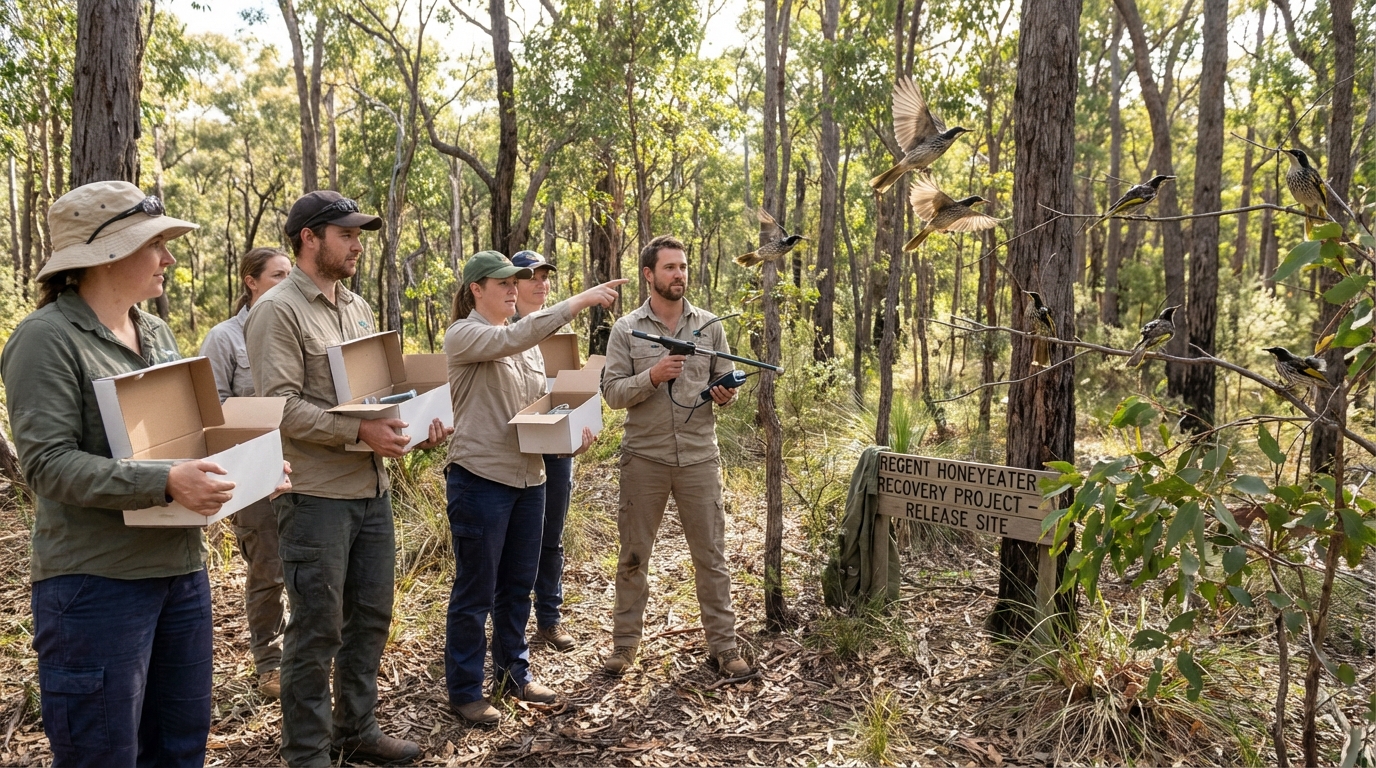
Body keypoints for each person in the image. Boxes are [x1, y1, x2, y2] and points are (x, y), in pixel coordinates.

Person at [1, 181, 288, 767]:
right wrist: (165, 481)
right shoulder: (45, 340)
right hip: (95, 584)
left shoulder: (155, 332)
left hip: (179, 571)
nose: (169, 258)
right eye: (155, 244)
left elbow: (178, 438)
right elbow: (47, 464)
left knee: (179, 745)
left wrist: (245, 469)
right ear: (105, 255)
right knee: (101, 753)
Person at [244, 191, 450, 767]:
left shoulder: (354, 307)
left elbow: (371, 395)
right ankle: (307, 751)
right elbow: (279, 407)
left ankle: (355, 727)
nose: (358, 245)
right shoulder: (278, 310)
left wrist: (409, 424)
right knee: (316, 629)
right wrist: (360, 436)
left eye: (360, 235)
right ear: (310, 237)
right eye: (347, 235)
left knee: (371, 615)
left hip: (370, 489)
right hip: (315, 496)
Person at [443, 251, 624, 724]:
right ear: (476, 289)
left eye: (514, 282)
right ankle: (464, 691)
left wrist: (567, 437)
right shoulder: (464, 334)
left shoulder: (522, 342)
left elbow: (534, 412)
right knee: (475, 591)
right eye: (501, 282)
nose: (511, 288)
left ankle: (512, 676)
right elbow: (514, 336)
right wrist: (578, 302)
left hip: (530, 477)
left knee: (517, 586)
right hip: (481, 479)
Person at [600, 234, 751, 679]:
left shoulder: (709, 326)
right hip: (644, 458)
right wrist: (651, 375)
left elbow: (726, 383)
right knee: (633, 556)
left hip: (700, 459)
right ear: (649, 275)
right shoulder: (627, 329)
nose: (679, 274)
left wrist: (726, 395)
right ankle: (625, 646)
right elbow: (611, 393)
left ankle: (723, 647)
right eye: (669, 268)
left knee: (711, 555)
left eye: (683, 267)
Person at [198, 247, 293, 699]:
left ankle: (305, 654)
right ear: (250, 281)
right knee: (268, 570)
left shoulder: (291, 328)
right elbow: (207, 412)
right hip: (255, 473)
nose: (286, 282)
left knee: (311, 568)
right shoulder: (224, 339)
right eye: (277, 275)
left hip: (305, 468)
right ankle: (270, 662)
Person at [510, 250, 578, 652]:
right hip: (513, 451)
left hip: (554, 451)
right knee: (514, 543)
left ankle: (549, 618)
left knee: (551, 537)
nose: (540, 282)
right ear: (511, 285)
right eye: (530, 276)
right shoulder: (499, 331)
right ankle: (507, 622)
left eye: (545, 275)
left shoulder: (558, 335)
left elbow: (568, 391)